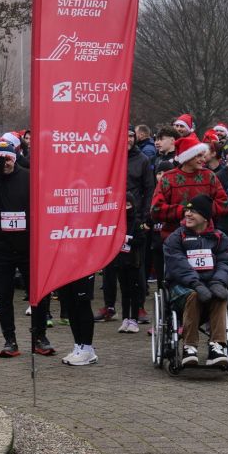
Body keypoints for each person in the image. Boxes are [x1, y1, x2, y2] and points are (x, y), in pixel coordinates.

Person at [0, 139, 55, 357]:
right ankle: (9, 340)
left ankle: (40, 336)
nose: (6, 163)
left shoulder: (29, 177)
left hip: (29, 247)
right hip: (1, 247)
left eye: (9, 159)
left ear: (15, 158)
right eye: (0, 160)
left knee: (38, 295)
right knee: (3, 296)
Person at [162, 195, 228, 367]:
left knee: (221, 296)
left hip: (211, 285)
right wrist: (195, 283)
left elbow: (226, 263)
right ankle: (189, 346)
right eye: (187, 210)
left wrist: (218, 282)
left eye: (193, 211)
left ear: (205, 217)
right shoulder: (176, 237)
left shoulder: (219, 237)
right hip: (182, 287)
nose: (187, 214)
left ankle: (217, 346)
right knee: (194, 295)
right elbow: (178, 264)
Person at [101, 134, 154, 331]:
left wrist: (145, 216)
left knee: (136, 267)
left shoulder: (143, 160)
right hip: (111, 216)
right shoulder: (108, 156)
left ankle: (138, 307)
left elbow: (149, 189)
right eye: (125, 136)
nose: (128, 139)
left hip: (135, 217)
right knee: (109, 266)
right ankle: (109, 306)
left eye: (131, 136)